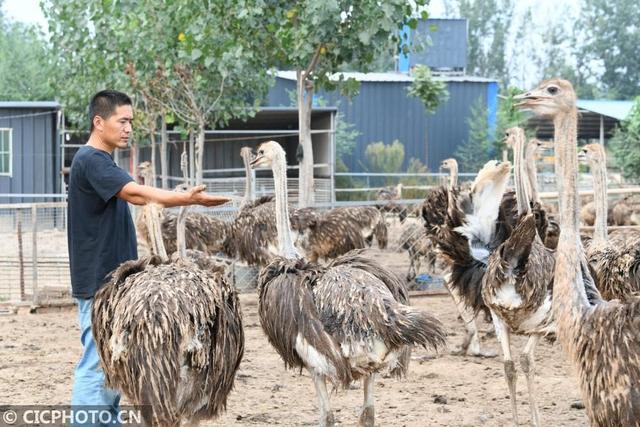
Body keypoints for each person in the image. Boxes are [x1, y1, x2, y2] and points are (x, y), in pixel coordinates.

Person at [67, 90, 228, 423]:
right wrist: (186, 199)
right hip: (100, 283)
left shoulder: (101, 161)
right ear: (99, 122)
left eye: (131, 122)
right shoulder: (90, 159)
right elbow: (136, 193)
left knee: (113, 359)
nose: (128, 128)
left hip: (114, 283)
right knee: (97, 362)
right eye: (122, 121)